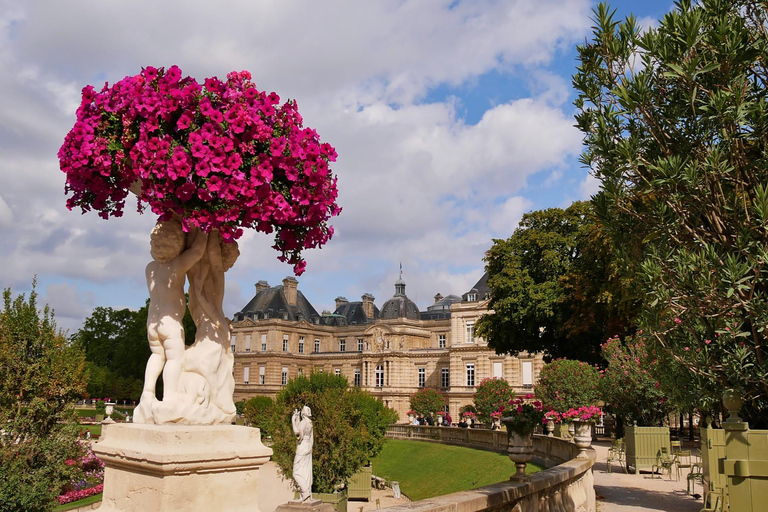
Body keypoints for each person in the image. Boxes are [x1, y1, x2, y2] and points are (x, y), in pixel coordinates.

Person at [134, 222, 207, 424]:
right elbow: (198, 251)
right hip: (170, 321)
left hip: (152, 322)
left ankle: (147, 393)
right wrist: (204, 227)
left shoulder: (150, 269)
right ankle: (169, 397)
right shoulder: (175, 267)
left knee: (157, 355)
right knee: (175, 359)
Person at [292, 406, 314, 501]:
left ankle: (305, 492)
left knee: (296, 472)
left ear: (303, 413)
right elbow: (309, 437)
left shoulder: (304, 422)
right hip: (308, 446)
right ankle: (305, 494)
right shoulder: (310, 423)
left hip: (302, 447)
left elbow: (297, 433)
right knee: (305, 471)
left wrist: (293, 421)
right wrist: (297, 420)